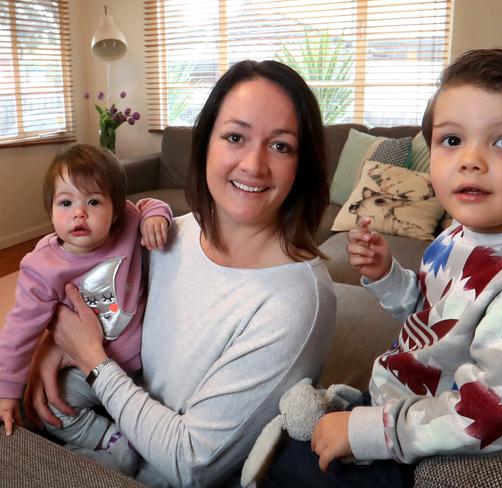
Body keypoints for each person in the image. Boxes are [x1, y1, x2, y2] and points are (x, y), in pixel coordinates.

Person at [262, 48, 502, 487]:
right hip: (402, 399)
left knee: (285, 470)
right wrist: (387, 275)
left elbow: (491, 413)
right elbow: (433, 315)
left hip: (418, 443)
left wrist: (370, 431)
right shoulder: (460, 235)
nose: (470, 159)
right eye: (452, 140)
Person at [25, 59, 337, 487]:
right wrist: (51, 341)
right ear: (206, 144)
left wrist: (90, 358)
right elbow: (94, 296)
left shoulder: (294, 302)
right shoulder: (168, 235)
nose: (253, 164)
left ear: (303, 167)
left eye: (280, 146)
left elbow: (190, 464)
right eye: (234, 137)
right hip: (99, 422)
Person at [0, 144, 172, 476]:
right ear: (50, 209)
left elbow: (151, 204)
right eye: (66, 203)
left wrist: (155, 216)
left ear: (117, 209)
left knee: (159, 408)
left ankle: (131, 435)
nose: (79, 213)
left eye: (93, 202)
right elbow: (19, 332)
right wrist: (6, 390)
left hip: (143, 363)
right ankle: (112, 440)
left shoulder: (129, 223)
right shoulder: (42, 267)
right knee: (50, 409)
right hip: (81, 369)